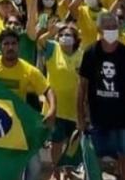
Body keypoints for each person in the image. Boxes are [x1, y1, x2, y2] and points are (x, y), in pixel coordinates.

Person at [0, 29, 56, 180]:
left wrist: (52, 110)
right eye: (6, 44)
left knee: (35, 166)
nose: (10, 47)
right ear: (0, 47)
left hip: (18, 125)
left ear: (18, 46)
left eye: (13, 43)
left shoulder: (27, 69)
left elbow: (48, 90)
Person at [77, 12, 125, 180]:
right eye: (107, 27)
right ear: (99, 29)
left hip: (123, 119)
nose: (111, 30)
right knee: (94, 162)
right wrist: (80, 116)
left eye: (114, 27)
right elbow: (82, 87)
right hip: (98, 119)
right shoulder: (90, 53)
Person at [38, 22, 82, 180]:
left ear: (75, 38)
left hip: (74, 108)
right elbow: (40, 41)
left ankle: (68, 170)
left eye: (69, 35)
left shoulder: (80, 54)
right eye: (62, 35)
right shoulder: (52, 48)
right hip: (55, 107)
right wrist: (52, 31)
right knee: (56, 143)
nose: (64, 37)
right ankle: (55, 171)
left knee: (71, 143)